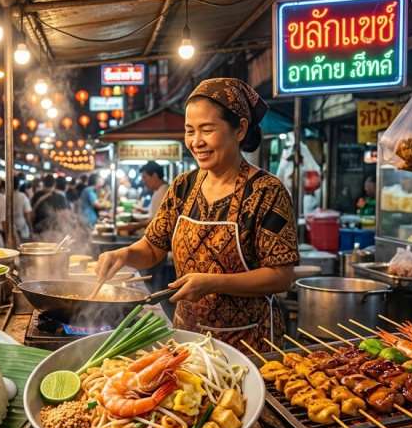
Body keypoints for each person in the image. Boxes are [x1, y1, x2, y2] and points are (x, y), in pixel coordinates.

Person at [95, 78, 298, 351]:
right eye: (189, 131)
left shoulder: (267, 191)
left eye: (207, 129)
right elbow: (153, 248)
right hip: (187, 341)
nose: (195, 141)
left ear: (240, 129)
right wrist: (124, 255)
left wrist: (213, 283)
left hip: (250, 345)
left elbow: (280, 277)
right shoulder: (182, 186)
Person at [120, 161, 169, 235]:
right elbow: (152, 212)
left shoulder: (163, 191)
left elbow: (155, 220)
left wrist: (136, 226)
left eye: (144, 177)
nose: (144, 182)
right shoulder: (159, 190)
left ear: (155, 176)